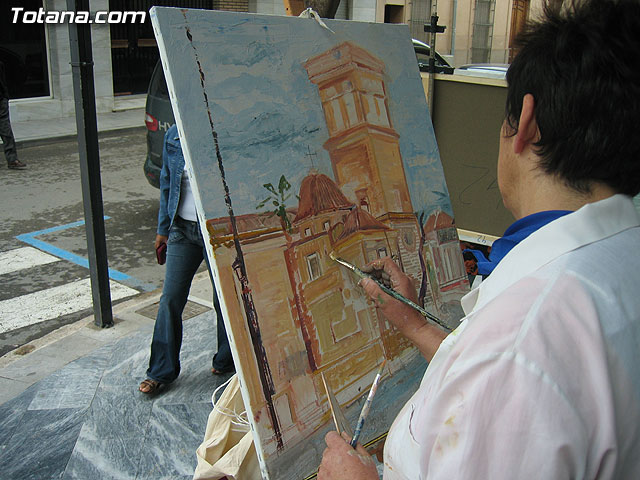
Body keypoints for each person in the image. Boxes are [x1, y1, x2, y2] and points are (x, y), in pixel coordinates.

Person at [318, 0, 640, 478]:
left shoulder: (521, 343)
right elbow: (476, 384)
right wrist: (414, 325)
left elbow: (499, 376)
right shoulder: (619, 257)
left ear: (525, 121)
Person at [139, 124, 234, 395]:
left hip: (216, 231)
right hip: (181, 229)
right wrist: (162, 229)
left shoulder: (219, 129)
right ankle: (160, 371)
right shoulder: (174, 135)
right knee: (170, 298)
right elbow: (167, 183)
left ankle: (226, 359)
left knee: (224, 298)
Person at [0, 60, 26, 170]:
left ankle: (12, 160)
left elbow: (3, 82)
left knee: (6, 131)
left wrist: (5, 97)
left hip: (1, 100)